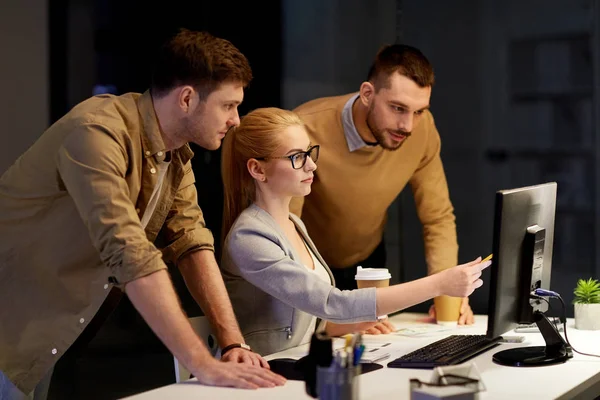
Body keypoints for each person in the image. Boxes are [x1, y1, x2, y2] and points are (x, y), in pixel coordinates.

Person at [0, 29, 285, 399]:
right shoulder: (97, 132)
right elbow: (128, 250)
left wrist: (233, 345)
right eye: (228, 105)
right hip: (11, 321)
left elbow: (191, 242)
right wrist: (202, 365)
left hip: (49, 329)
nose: (236, 120)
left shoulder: (176, 155)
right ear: (187, 98)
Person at [219, 107, 490, 356]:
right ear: (257, 169)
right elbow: (330, 302)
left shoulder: (294, 224)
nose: (312, 165)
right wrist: (439, 284)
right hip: (263, 375)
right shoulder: (249, 237)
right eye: (297, 157)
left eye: (309, 153)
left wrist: (339, 326)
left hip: (296, 364)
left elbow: (302, 315)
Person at [289, 44, 475, 325]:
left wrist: (451, 298)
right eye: (398, 108)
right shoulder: (303, 128)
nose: (408, 126)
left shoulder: (421, 130)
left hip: (369, 260)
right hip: (308, 264)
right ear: (367, 94)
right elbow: (285, 227)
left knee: (379, 351)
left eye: (418, 111)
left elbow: (437, 218)